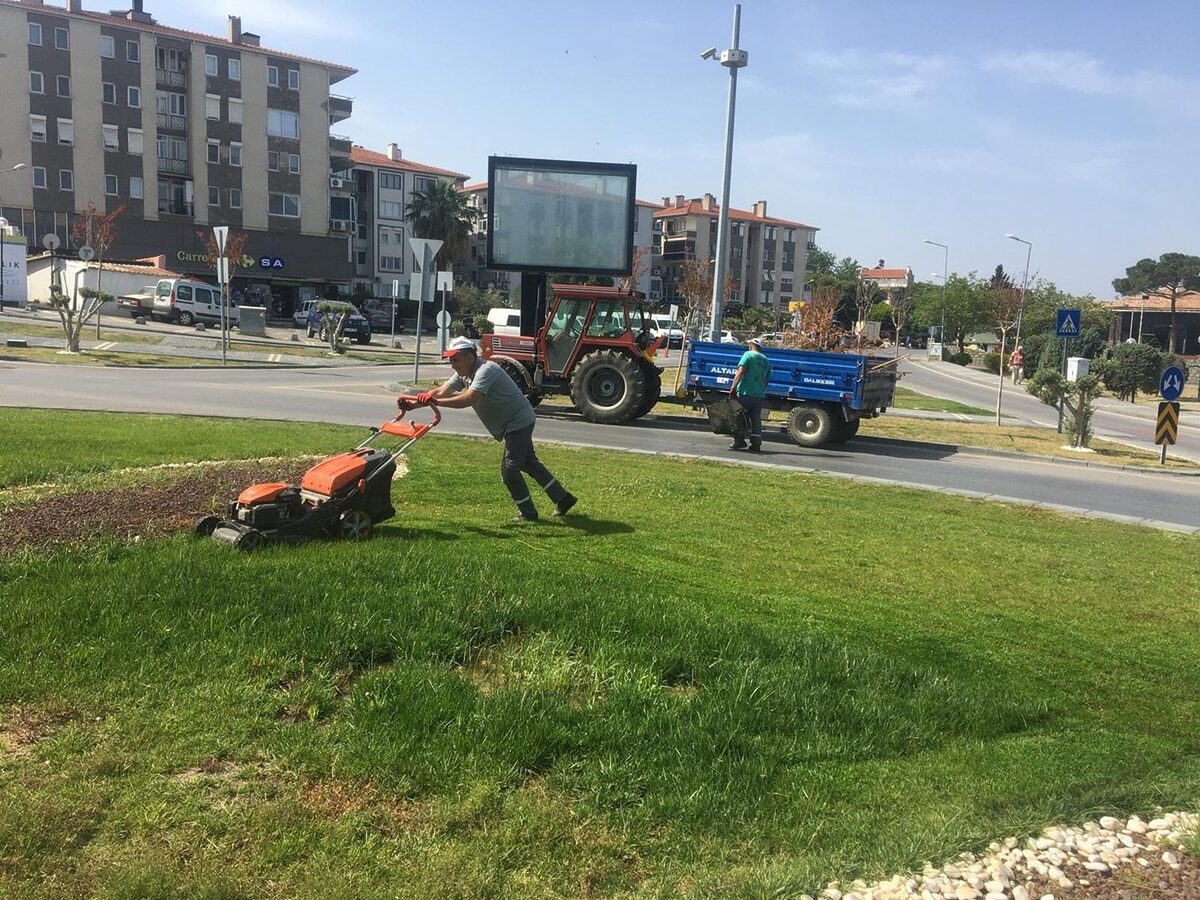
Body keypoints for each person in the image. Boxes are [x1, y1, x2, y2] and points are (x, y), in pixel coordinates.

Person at [399, 336, 577, 523]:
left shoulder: (486, 370)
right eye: (450, 360)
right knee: (528, 463)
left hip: (518, 421)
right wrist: (413, 404)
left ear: (469, 357)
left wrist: (435, 402)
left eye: (455, 359)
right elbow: (440, 392)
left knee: (509, 471)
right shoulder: (463, 373)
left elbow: (469, 398)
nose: (452, 365)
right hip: (512, 422)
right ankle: (564, 499)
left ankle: (528, 513)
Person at [728, 336, 772, 452]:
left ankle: (739, 441)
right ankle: (756, 444)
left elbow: (740, 371)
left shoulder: (748, 355)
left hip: (745, 392)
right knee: (756, 419)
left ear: (752, 345)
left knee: (739, 417)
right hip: (758, 395)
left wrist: (733, 386)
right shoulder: (766, 360)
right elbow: (767, 379)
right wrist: (761, 389)